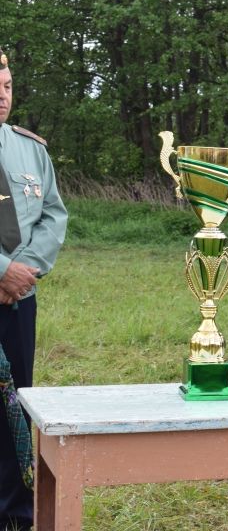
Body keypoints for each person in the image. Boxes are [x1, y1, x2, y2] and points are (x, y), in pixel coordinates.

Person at [0, 49, 68, 531]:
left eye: (5, 84)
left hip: (17, 300)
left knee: (15, 405)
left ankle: (14, 514)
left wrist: (22, 271)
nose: (1, 94)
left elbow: (52, 215)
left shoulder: (30, 150)